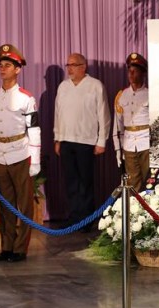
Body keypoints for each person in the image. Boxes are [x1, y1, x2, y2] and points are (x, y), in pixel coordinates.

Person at [0, 44, 40, 262]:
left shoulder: (26, 98)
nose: (3, 69)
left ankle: (20, 248)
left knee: (23, 205)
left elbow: (34, 129)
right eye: (1, 65)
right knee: (5, 204)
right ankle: (6, 246)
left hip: (20, 153)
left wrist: (34, 161)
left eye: (8, 65)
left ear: (17, 69)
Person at [54, 53, 110, 231]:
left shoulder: (95, 85)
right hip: (66, 141)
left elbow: (103, 114)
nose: (69, 68)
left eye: (73, 64)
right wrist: (57, 138)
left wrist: (102, 140)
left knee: (85, 182)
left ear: (83, 66)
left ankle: (86, 220)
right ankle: (74, 217)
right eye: (67, 65)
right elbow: (58, 114)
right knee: (71, 182)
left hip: (86, 141)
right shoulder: (63, 87)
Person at [112, 52, 149, 192]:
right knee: (132, 185)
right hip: (128, 145)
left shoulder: (149, 94)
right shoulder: (121, 96)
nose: (131, 74)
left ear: (143, 73)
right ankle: (135, 213)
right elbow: (117, 126)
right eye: (129, 71)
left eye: (135, 71)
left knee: (149, 182)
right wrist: (117, 149)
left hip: (146, 144)